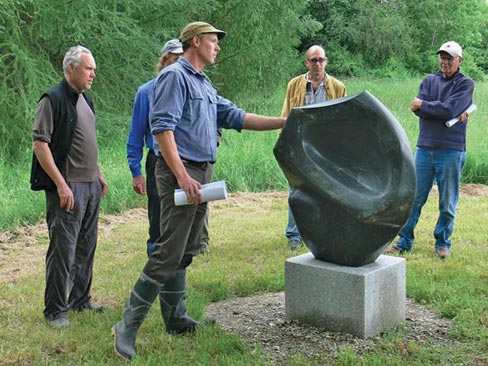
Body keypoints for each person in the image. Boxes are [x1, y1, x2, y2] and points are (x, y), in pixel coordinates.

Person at [112, 21, 284, 360]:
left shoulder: (202, 84)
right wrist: (182, 177)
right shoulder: (174, 76)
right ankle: (126, 326)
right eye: (213, 41)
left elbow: (236, 116)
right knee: (167, 251)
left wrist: (283, 121)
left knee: (188, 247)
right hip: (181, 172)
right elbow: (162, 130)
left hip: (200, 173)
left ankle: (175, 318)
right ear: (194, 42)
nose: (217, 46)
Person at [30, 45, 108, 328]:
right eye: (89, 69)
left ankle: (81, 299)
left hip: (90, 185)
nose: (93, 75)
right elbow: (40, 143)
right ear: (71, 68)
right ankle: (55, 311)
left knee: (86, 246)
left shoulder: (85, 99)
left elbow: (86, 140)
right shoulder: (52, 99)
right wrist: (61, 185)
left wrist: (98, 174)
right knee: (63, 249)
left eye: (94, 69)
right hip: (67, 187)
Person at [385, 41, 474, 259]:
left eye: (450, 58)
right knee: (413, 197)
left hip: (451, 150)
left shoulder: (465, 84)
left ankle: (442, 243)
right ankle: (404, 240)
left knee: (447, 201)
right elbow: (421, 110)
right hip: (424, 148)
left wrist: (427, 106)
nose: (445, 62)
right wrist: (441, 110)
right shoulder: (429, 80)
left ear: (459, 61)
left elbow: (449, 109)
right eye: (442, 57)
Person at [280, 45, 346, 250]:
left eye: (321, 60)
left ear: (326, 62)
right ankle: (293, 234)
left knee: (326, 191)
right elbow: (286, 114)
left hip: (325, 148)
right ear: (306, 63)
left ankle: (322, 232)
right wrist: (284, 143)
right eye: (313, 60)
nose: (317, 64)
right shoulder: (294, 84)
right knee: (296, 190)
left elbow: (343, 117)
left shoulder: (337, 86)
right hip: (299, 145)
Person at [126, 39, 184, 256]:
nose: (179, 63)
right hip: (158, 158)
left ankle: (182, 253)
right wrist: (136, 172)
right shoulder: (146, 92)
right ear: (164, 59)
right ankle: (156, 253)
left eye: (182, 58)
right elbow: (136, 133)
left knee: (185, 209)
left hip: (186, 156)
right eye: (175, 58)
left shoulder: (189, 86)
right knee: (158, 211)